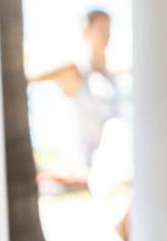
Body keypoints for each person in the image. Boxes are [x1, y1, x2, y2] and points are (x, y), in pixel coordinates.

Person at [28, 9, 121, 169]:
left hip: (110, 170)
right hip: (79, 168)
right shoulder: (74, 71)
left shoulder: (111, 78)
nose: (106, 35)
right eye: (100, 30)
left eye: (108, 29)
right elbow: (29, 77)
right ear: (86, 32)